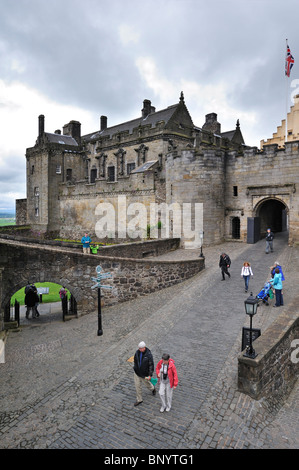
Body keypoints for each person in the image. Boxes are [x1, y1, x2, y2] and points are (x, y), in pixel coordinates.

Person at [133, 341, 156, 406]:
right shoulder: (137, 352)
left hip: (144, 374)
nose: (139, 350)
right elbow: (135, 360)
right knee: (137, 386)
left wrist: (150, 375)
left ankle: (153, 389)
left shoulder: (149, 355)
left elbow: (151, 365)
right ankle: (139, 399)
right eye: (139, 348)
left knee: (147, 384)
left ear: (144, 348)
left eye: (141, 348)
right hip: (137, 372)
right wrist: (135, 367)